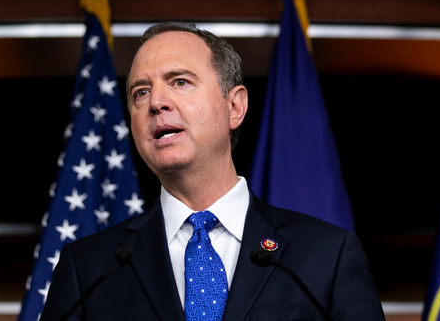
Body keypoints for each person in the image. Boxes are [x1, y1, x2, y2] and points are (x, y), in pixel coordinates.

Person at [41, 22, 385, 321]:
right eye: (140, 92)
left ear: (234, 107)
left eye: (179, 81)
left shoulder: (327, 256)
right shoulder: (89, 269)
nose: (156, 102)